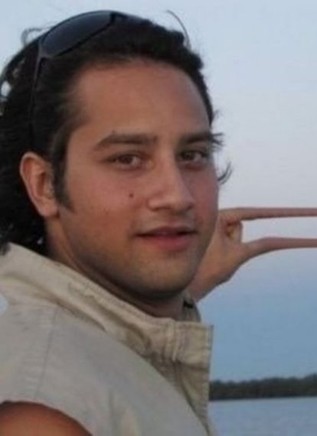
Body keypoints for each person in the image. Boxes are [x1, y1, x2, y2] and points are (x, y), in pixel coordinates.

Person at [0, 10, 258, 435]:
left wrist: (181, 293)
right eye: (128, 159)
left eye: (192, 155)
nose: (177, 195)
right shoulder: (44, 410)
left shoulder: (111, 358)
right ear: (44, 185)